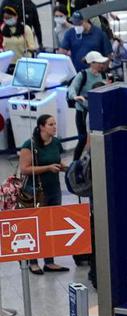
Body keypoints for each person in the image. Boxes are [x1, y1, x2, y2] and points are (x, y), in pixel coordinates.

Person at [18, 115, 68, 275]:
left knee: (51, 225)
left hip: (54, 190)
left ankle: (49, 261)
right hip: (36, 192)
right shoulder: (30, 145)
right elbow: (24, 169)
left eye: (55, 124)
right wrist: (47, 168)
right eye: (51, 124)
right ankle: (33, 261)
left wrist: (68, 169)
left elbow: (58, 163)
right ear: (41, 127)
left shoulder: (56, 142)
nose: (54, 127)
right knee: (35, 225)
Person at [66, 50, 106, 161]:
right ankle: (75, 162)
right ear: (92, 63)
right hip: (82, 111)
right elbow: (72, 88)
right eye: (99, 62)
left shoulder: (102, 74)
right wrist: (75, 97)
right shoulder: (82, 75)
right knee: (83, 138)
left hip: (95, 110)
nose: (102, 64)